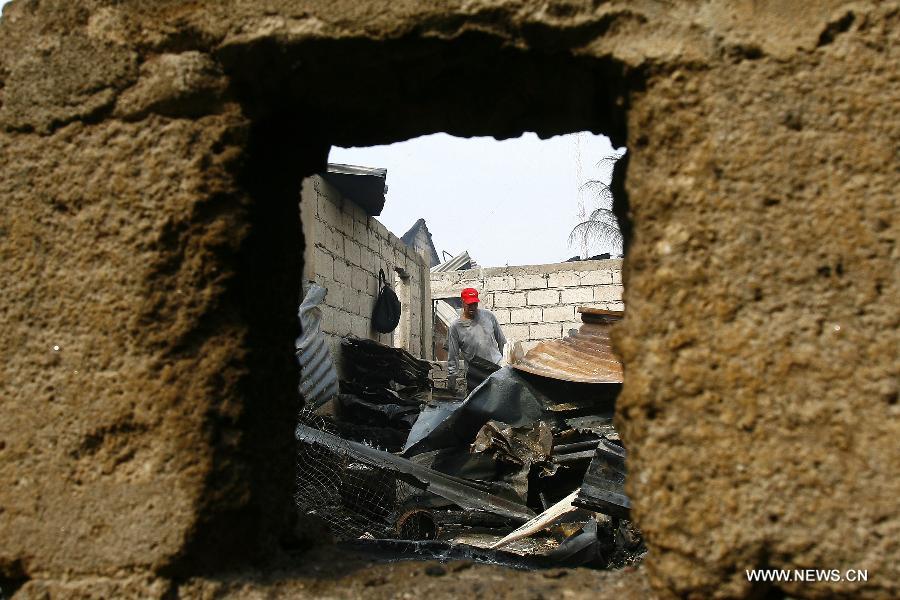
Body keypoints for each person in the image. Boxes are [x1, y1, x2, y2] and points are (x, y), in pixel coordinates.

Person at [447, 287, 507, 394]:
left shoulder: (488, 316)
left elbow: (502, 341)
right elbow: (453, 356)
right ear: (462, 302)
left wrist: (503, 365)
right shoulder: (455, 327)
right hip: (475, 374)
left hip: (496, 370)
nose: (473, 307)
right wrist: (452, 381)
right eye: (469, 304)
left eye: (475, 304)